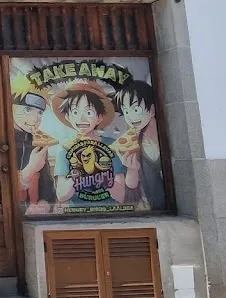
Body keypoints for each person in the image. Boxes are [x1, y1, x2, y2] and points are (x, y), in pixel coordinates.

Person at [51, 80, 140, 209]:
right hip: (76, 215)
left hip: (109, 212)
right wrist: (80, 172)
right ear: (68, 117)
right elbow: (62, 195)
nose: (81, 119)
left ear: (99, 117)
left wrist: (101, 174)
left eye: (88, 113)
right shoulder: (65, 149)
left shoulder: (112, 146)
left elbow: (121, 196)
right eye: (75, 112)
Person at [112, 79, 166, 211]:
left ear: (152, 109)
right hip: (152, 209)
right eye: (126, 111)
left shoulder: (167, 137)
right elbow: (131, 187)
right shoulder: (130, 144)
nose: (130, 117)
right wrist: (132, 170)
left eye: (136, 109)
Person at [10, 75, 57, 214]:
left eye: (40, 113)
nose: (36, 118)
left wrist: (45, 205)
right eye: (28, 110)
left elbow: (47, 186)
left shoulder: (39, 142)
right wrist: (30, 169)